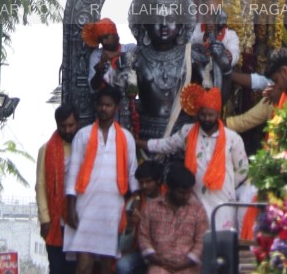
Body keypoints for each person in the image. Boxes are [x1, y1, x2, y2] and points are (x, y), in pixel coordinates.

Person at [146, 86, 249, 230]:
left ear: (218, 114)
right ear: (197, 114)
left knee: (220, 244)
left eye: (211, 115)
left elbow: (243, 169)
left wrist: (226, 181)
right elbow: (167, 145)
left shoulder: (233, 139)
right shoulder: (187, 132)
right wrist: (142, 143)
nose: (207, 119)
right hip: (193, 201)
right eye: (203, 114)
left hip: (223, 202)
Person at [64, 87, 139, 274]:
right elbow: (73, 172)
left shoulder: (126, 138)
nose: (104, 108)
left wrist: (136, 202)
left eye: (108, 105)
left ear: (116, 108)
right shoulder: (83, 135)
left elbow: (132, 173)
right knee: (84, 265)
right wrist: (71, 207)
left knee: (108, 266)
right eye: (101, 105)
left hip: (113, 210)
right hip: (86, 208)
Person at [135, 160, 208, 274]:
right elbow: (144, 237)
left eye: (188, 193)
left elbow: (201, 242)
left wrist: (184, 264)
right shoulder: (151, 208)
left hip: (188, 266)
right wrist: (157, 260)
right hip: (158, 265)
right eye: (181, 193)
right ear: (169, 188)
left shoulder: (197, 210)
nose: (186, 197)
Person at [38, 103, 80, 274]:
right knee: (56, 267)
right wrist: (44, 218)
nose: (68, 130)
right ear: (57, 125)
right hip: (54, 221)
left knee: (74, 268)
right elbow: (40, 185)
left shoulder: (83, 147)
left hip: (77, 220)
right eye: (63, 126)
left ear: (77, 124)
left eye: (71, 125)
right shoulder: (46, 149)